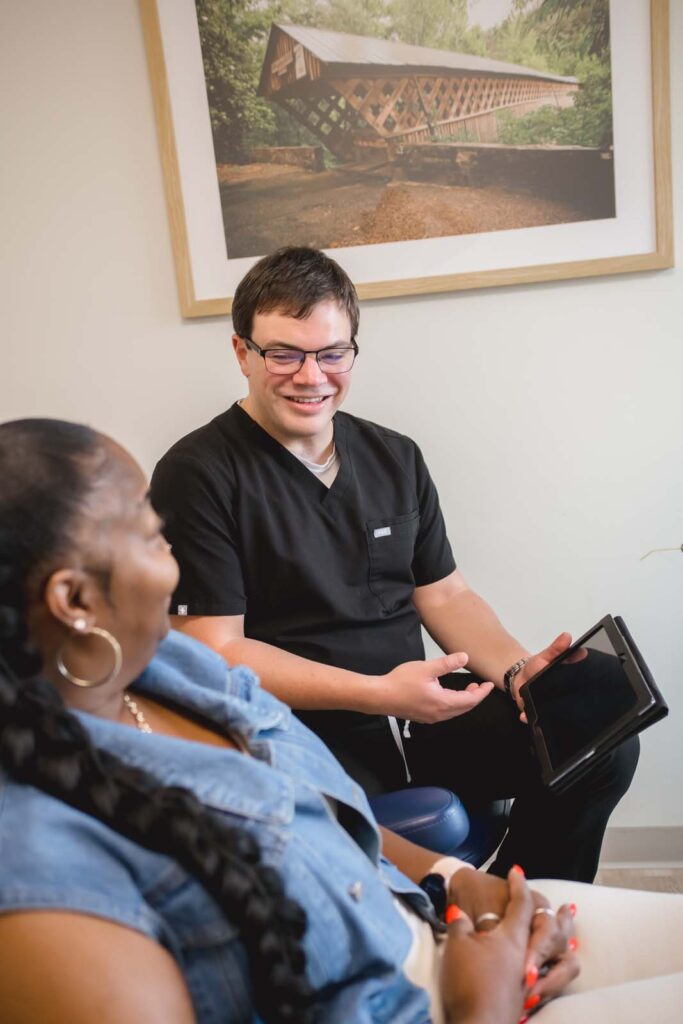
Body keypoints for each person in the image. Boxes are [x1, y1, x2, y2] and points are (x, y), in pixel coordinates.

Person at [1, 418, 683, 1024]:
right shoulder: (45, 883)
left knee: (598, 747)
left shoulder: (177, 675)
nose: (178, 568)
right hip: (449, 993)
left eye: (332, 352)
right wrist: (483, 1004)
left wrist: (459, 880)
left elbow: (320, 817)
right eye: (154, 538)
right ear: (74, 600)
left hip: (430, 927)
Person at [150, 247, 638, 882]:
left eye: (331, 353)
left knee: (599, 734)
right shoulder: (198, 474)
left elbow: (447, 595)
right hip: (310, 730)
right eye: (284, 354)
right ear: (242, 353)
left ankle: (522, 905)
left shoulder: (394, 456)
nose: (311, 376)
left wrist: (520, 674)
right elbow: (217, 650)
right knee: (337, 839)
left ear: (352, 351)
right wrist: (379, 694)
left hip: (425, 707)